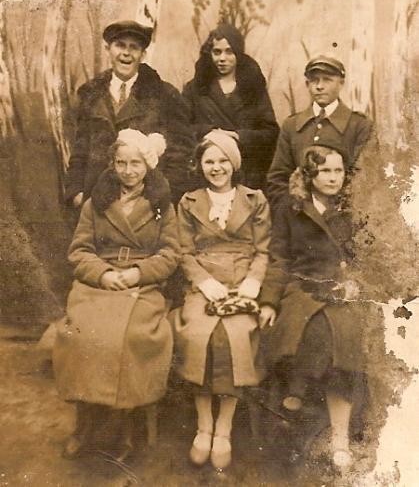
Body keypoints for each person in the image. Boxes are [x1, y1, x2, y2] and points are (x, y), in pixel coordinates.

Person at [53, 129, 179, 462]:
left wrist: (138, 273)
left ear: (147, 165)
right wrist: (103, 274)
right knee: (80, 333)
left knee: (132, 336)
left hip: (142, 285)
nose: (128, 171)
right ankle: (85, 423)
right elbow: (79, 251)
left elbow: (170, 254)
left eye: (135, 163)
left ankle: (124, 426)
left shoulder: (162, 205)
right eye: (121, 163)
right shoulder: (96, 202)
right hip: (99, 283)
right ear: (112, 164)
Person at [259, 143, 365, 471]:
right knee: (308, 326)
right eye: (325, 171)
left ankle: (339, 436)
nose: (333, 178)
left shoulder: (354, 207)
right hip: (301, 287)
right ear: (309, 175)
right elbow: (279, 259)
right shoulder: (291, 208)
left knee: (343, 336)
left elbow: (366, 254)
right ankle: (294, 398)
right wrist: (269, 301)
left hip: (341, 288)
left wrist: (356, 282)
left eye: (338, 171)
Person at [171, 130, 271, 470]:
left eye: (223, 160)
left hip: (243, 282)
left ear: (234, 163)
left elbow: (264, 250)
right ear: (200, 165)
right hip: (205, 282)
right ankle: (204, 425)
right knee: (200, 335)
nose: (216, 168)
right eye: (209, 161)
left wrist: (253, 281)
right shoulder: (189, 202)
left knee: (234, 336)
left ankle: (224, 427)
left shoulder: (255, 200)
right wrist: (203, 281)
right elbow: (183, 252)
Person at [65, 20, 191, 207]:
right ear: (108, 49)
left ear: (143, 54)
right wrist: (77, 194)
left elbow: (180, 154)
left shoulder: (164, 95)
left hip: (145, 204)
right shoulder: (90, 94)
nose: (126, 53)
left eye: (134, 47)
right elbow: (80, 151)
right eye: (120, 45)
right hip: (95, 203)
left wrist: (163, 199)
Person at [267, 56, 373, 211]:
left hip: (342, 216)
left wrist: (335, 213)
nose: (319, 86)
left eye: (327, 80)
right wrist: (293, 212)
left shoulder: (360, 125)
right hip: (298, 215)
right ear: (307, 84)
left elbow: (364, 180)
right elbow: (277, 179)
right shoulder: (292, 125)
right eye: (314, 80)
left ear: (341, 83)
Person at [182, 23, 279, 191]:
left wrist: (239, 136)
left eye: (229, 52)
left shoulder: (253, 87)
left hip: (246, 175)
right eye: (217, 52)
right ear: (210, 54)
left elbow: (270, 133)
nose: (222, 58)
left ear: (238, 54)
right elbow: (180, 128)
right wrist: (208, 132)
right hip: (206, 174)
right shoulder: (195, 88)